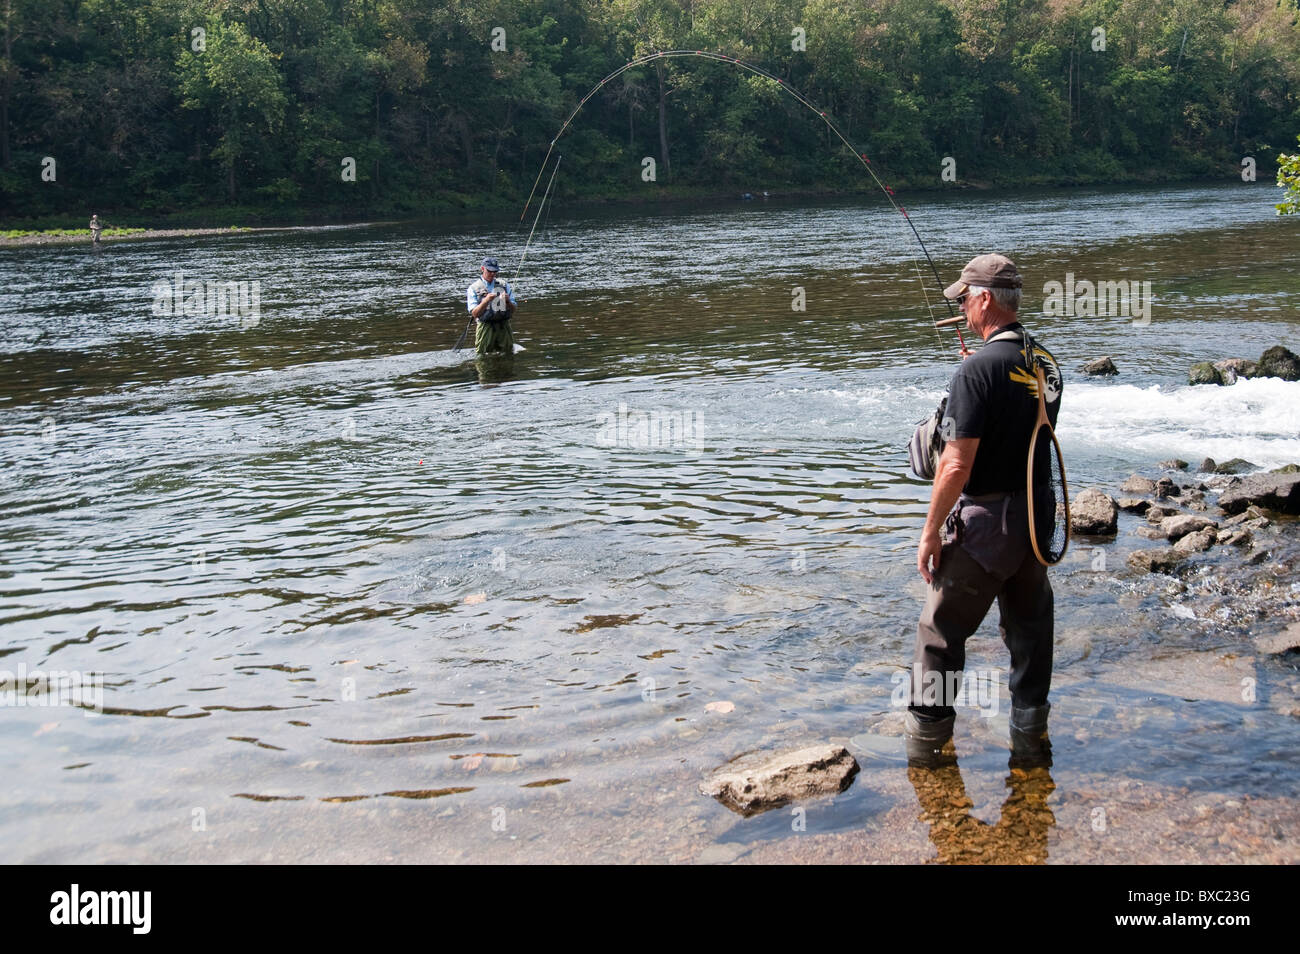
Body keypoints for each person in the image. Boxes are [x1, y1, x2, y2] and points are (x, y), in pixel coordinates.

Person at [905, 253, 1062, 767]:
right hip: (1037, 522)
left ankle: (927, 756)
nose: (963, 308)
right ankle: (1029, 745)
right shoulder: (1045, 362)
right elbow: (1022, 430)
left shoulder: (976, 370)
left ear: (985, 298)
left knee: (939, 634)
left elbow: (955, 465)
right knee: (1029, 629)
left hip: (987, 524)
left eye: (965, 298)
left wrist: (930, 534)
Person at [465, 257, 517, 355]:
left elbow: (514, 310)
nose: (493, 274)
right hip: (485, 328)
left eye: (495, 271)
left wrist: (508, 301)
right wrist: (486, 301)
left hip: (504, 327)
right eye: (490, 271)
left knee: (508, 355)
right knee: (483, 357)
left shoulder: (504, 285)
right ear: (482, 269)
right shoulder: (473, 288)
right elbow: (474, 313)